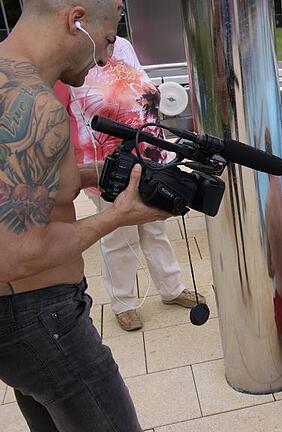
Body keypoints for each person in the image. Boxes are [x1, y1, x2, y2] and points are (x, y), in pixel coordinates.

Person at [0, 1, 169, 431]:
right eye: (109, 38)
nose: (108, 57)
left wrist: (104, 172)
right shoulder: (34, 105)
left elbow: (26, 186)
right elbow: (20, 254)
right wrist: (118, 216)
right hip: (41, 319)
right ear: (76, 21)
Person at [59, 35, 205, 332]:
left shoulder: (122, 45)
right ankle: (123, 302)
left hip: (149, 156)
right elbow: (61, 117)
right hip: (106, 166)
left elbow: (142, 90)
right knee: (117, 237)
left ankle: (171, 288)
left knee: (155, 227)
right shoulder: (68, 53)